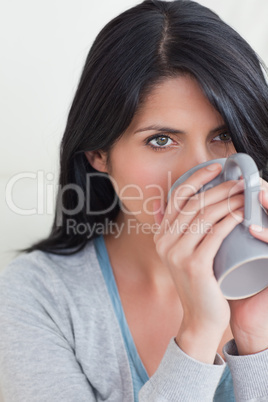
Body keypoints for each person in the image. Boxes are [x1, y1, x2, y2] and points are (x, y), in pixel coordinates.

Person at [1, 0, 268, 401]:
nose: (201, 171)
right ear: (98, 154)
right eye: (160, 140)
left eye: (223, 134)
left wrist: (256, 337)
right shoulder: (35, 299)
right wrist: (197, 333)